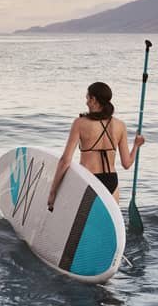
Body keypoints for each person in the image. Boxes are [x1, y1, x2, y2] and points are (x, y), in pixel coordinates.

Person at [47, 82, 145, 211]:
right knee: (107, 226)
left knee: (85, 223)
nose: (86, 102)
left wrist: (53, 191)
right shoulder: (120, 125)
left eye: (87, 98)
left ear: (93, 100)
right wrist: (136, 146)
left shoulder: (80, 123)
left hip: (89, 180)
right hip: (112, 182)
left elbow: (65, 160)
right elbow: (127, 164)